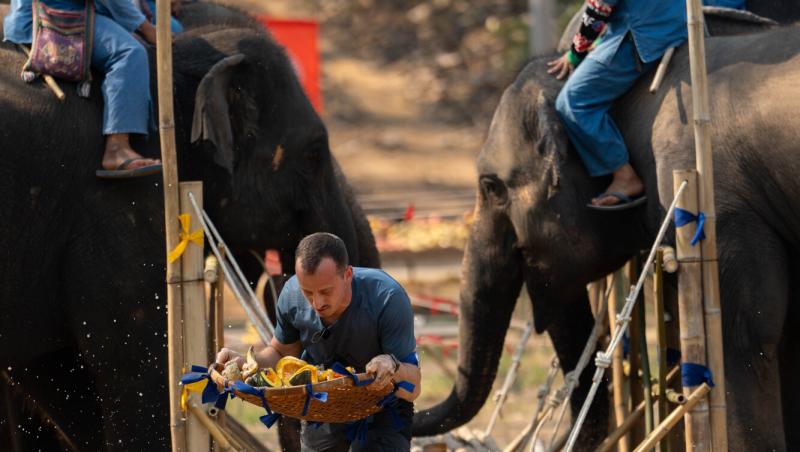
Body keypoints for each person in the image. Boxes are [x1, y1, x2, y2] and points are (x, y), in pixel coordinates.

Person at [216, 232, 421, 452]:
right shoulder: (291, 295)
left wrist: (393, 366)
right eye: (307, 292)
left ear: (348, 275)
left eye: (326, 291)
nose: (317, 303)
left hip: (383, 407)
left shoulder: (387, 297)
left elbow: (414, 386)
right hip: (322, 404)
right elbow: (281, 353)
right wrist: (245, 364)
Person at [549, 0, 688, 209]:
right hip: (675, 23)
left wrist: (575, 53)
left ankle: (624, 176)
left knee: (572, 101)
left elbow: (599, 9)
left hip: (644, 34)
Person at [4, 0, 163, 178]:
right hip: (52, 19)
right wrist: (146, 27)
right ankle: (117, 149)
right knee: (130, 52)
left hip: (22, 21)